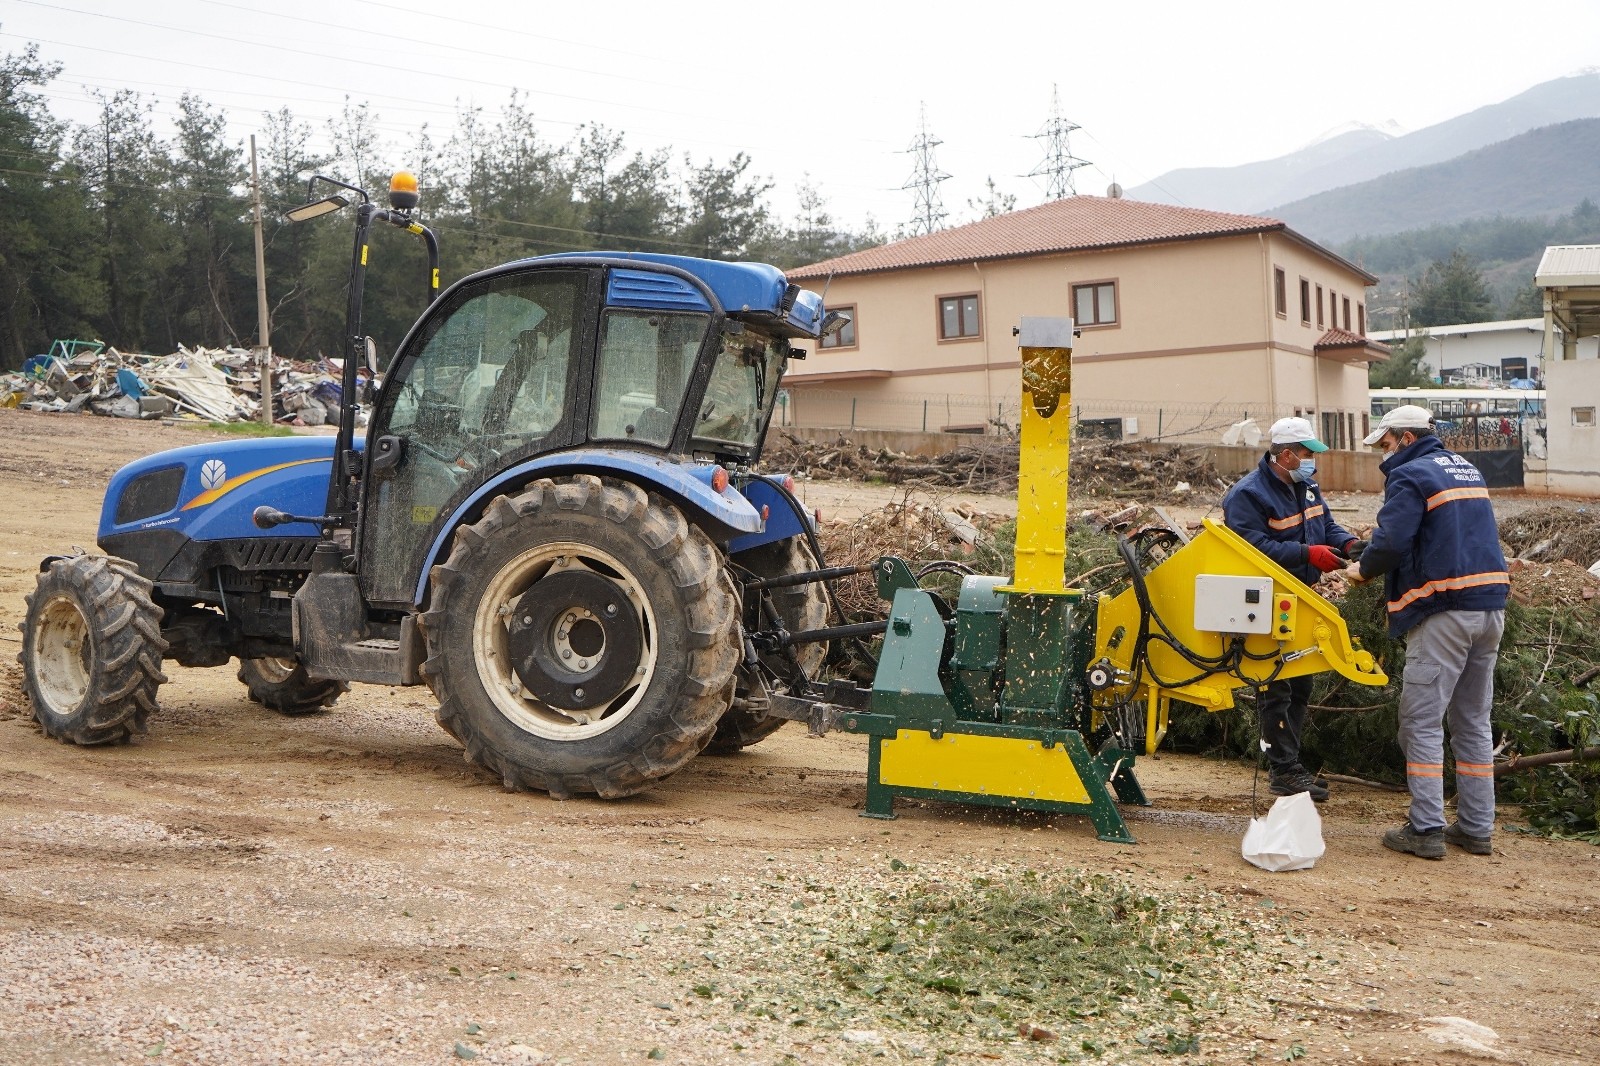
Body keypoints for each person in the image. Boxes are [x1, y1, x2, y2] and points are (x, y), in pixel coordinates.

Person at [1344, 404, 1508, 860]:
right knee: (1473, 721)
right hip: (1489, 608)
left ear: (1406, 438)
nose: (1383, 452)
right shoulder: (1466, 469)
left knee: (1421, 721)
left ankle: (1426, 828)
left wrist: (1363, 570)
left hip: (1444, 612)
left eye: (1385, 442)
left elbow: (1394, 541)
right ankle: (1476, 828)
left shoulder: (1411, 475)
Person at [1222, 416, 1362, 803]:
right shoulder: (1247, 495)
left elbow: (1326, 527)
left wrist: (1348, 545)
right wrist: (1307, 554)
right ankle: (1283, 771)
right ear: (1285, 455)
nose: (1311, 461)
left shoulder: (1307, 487)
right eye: (1305, 454)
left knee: (1300, 682)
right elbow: (1250, 551)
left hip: (1303, 594)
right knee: (1278, 684)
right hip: (1268, 601)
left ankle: (1290, 765)